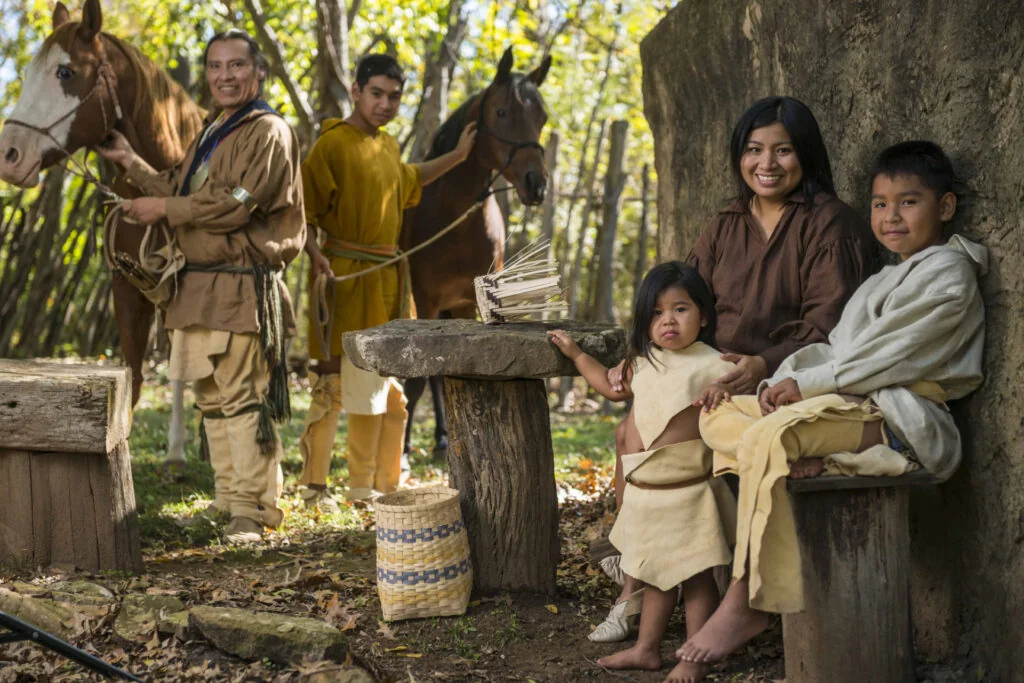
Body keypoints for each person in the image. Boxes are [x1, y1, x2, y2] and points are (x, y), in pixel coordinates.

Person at [677, 140, 986, 665]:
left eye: (908, 202)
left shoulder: (949, 274)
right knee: (718, 416)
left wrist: (812, 388)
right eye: (880, 204)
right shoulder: (881, 280)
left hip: (897, 413)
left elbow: (896, 356)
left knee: (769, 437)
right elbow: (834, 349)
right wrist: (785, 376)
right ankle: (829, 453)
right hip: (839, 406)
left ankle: (747, 595)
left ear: (946, 207)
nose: (891, 217)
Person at [596, 96, 877, 635]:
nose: (766, 164)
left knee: (658, 445)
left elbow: (829, 328)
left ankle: (647, 584)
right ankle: (638, 573)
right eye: (753, 150)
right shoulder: (726, 221)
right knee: (629, 431)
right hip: (710, 372)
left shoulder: (831, 225)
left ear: (807, 155)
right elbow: (680, 300)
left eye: (782, 150)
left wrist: (762, 363)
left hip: (786, 380)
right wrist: (638, 362)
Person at [97, 29, 304, 543]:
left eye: (236, 66)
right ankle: (229, 500)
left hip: (240, 285)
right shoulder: (214, 130)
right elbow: (180, 188)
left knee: (243, 400)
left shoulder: (269, 131)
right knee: (212, 400)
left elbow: (235, 205)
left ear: (257, 72)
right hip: (195, 290)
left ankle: (255, 512)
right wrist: (130, 164)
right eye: (216, 67)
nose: (225, 76)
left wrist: (163, 209)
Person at [297, 54, 477, 509]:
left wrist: (457, 157)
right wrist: (318, 259)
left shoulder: (389, 146)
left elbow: (412, 179)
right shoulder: (330, 146)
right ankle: (320, 487)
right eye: (376, 93)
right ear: (356, 92)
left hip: (386, 282)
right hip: (344, 277)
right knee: (338, 385)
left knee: (389, 392)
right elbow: (302, 216)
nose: (385, 104)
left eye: (394, 96)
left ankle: (383, 485)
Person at [549, 262, 739, 683]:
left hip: (687, 491)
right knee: (655, 575)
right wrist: (577, 354)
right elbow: (609, 386)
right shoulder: (644, 361)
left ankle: (695, 655)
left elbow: (749, 392)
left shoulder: (716, 364)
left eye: (680, 309)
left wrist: (732, 385)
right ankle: (646, 649)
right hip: (646, 492)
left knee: (695, 577)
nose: (667, 319)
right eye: (655, 312)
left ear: (703, 316)